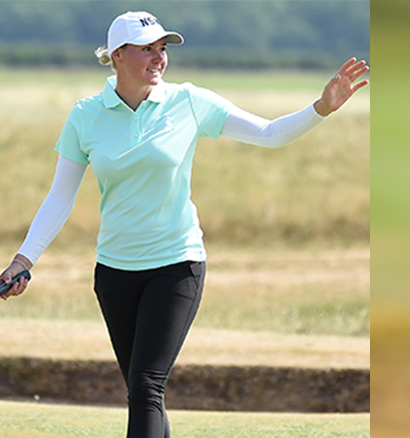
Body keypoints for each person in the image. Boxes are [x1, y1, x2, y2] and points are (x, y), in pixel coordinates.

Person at [0, 10, 368, 438]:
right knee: (143, 391)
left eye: (163, 49)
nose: (159, 58)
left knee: (145, 385)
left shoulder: (189, 102)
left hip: (176, 265)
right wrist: (23, 259)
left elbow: (269, 133)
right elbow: (60, 197)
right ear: (117, 55)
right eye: (147, 50)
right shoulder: (86, 115)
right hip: (114, 272)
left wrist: (321, 108)